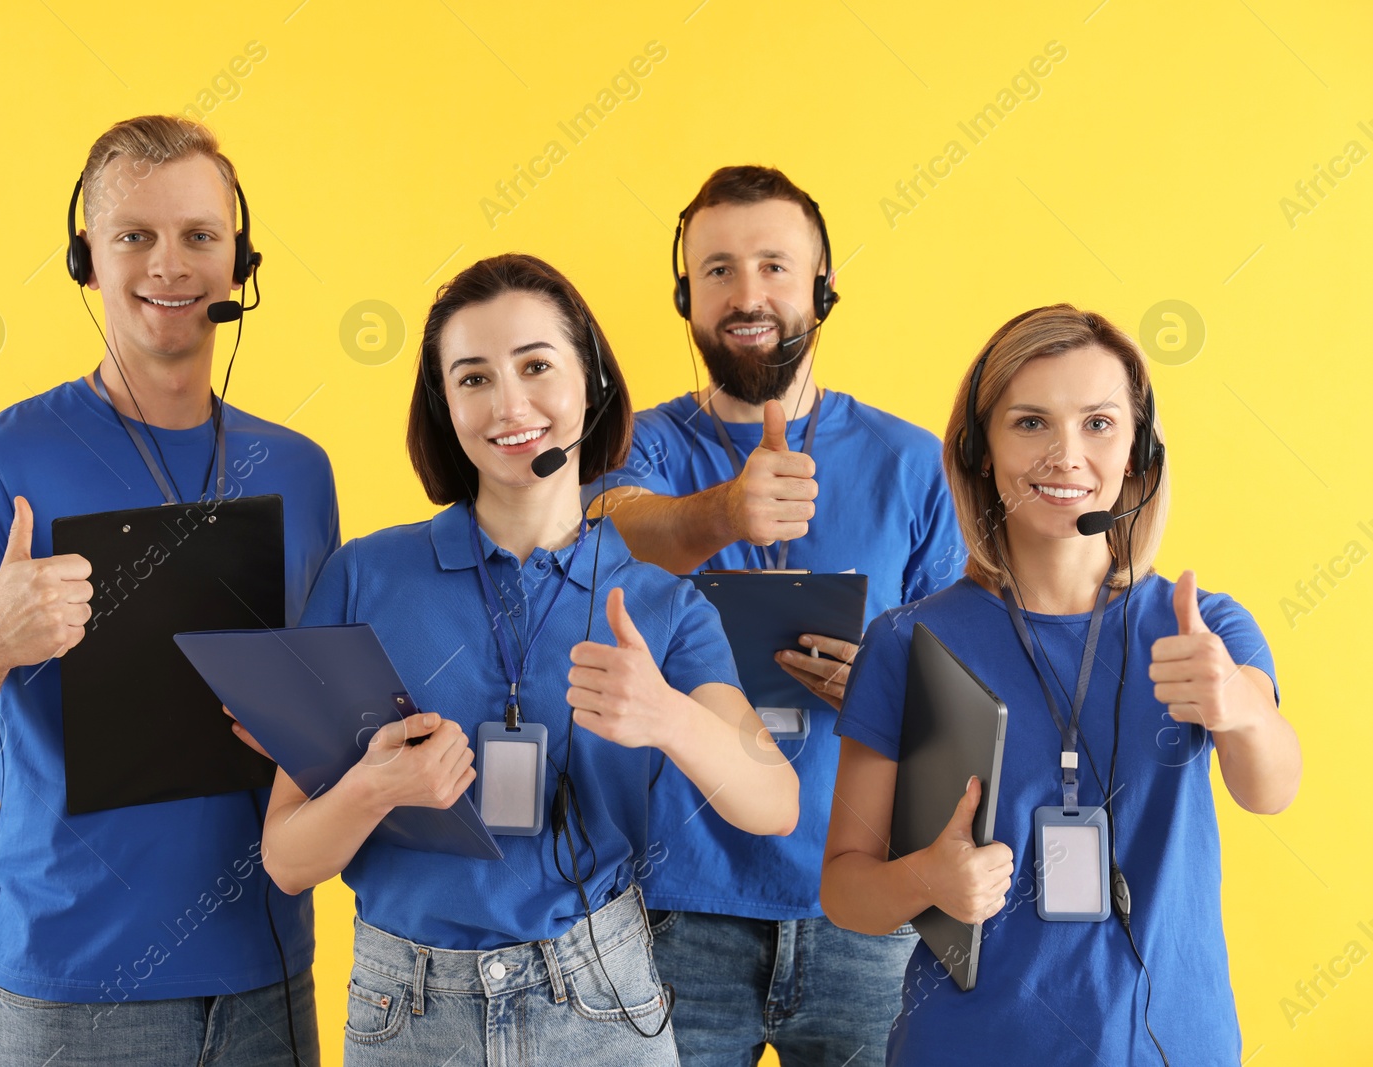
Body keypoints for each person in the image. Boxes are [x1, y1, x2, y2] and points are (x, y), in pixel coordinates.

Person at [0, 115, 337, 1064]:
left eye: (200, 236)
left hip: (270, 988)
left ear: (241, 261)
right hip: (72, 1004)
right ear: (84, 259)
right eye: (134, 236)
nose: (170, 264)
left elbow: (329, 720)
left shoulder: (300, 470)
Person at [256, 253, 798, 1066]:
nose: (510, 405)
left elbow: (774, 800)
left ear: (593, 382)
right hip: (407, 1008)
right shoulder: (363, 578)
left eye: (536, 365)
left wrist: (669, 716)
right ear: (445, 406)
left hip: (601, 1000)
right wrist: (374, 789)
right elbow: (287, 859)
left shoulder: (662, 605)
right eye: (472, 379)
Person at [822, 304, 1301, 1063]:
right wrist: (927, 878)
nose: (1065, 455)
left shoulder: (1203, 627)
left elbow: (1272, 788)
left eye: (1100, 423)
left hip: (1172, 1043)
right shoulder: (906, 641)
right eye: (1031, 423)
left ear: (1139, 452)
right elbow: (845, 889)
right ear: (980, 449)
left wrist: (1239, 705)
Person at [584, 165, 963, 1065]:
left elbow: (966, 689)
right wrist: (723, 512)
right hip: (677, 910)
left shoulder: (915, 465)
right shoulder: (634, 444)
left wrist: (889, 691)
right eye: (717, 270)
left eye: (773, 266)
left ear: (823, 287)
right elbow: (602, 530)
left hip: (866, 911)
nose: (746, 293)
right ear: (685, 295)